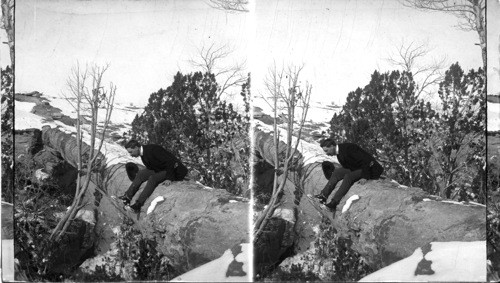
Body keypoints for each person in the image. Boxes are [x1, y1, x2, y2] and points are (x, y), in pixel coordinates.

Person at [314, 138, 383, 215]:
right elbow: (348, 165)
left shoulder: (348, 148)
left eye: (326, 151)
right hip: (357, 168)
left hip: (371, 169)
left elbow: (365, 160)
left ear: (332, 146)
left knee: (348, 177)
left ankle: (333, 203)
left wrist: (365, 176)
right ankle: (323, 196)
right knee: (337, 172)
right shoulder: (339, 152)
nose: (326, 153)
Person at [117, 140, 188, 213]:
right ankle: (127, 197)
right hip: (161, 169)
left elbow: (170, 162)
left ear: (136, 147)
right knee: (141, 173)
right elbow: (151, 167)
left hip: (175, 170)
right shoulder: (143, 153)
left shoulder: (153, 149)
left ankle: (138, 205)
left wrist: (169, 178)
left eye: (131, 152)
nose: (130, 155)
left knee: (153, 178)